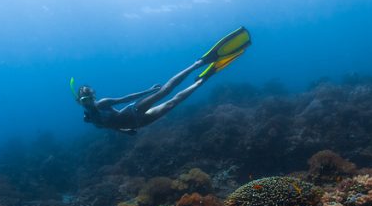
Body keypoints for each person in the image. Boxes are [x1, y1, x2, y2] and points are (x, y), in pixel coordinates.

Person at [72, 26, 251, 134]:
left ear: (93, 97)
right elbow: (111, 127)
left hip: (132, 111)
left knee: (165, 90)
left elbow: (126, 98)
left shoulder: (102, 104)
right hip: (139, 123)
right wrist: (126, 132)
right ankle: (201, 80)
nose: (88, 102)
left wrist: (149, 91)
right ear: (79, 102)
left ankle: (199, 63)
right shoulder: (90, 120)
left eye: (89, 98)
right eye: (84, 100)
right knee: (173, 103)